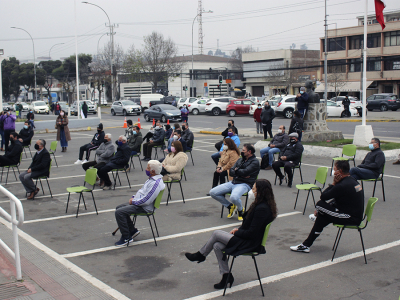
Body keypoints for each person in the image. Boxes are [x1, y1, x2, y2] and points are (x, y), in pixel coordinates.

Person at [185, 179, 277, 289]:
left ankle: (201, 255)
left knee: (216, 233)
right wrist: (239, 229)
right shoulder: (259, 204)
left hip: (250, 242)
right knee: (217, 246)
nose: (251, 191)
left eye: (253, 189)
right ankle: (226, 276)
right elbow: (248, 225)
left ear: (260, 192)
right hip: (246, 238)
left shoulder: (262, 209)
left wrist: (238, 232)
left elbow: (252, 232)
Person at [290, 160, 364, 253]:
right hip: (352, 214)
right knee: (322, 217)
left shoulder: (341, 185)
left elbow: (323, 196)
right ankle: (306, 245)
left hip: (350, 218)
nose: (333, 171)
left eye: (334, 169)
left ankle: (316, 216)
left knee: (319, 204)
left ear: (340, 171)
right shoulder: (352, 180)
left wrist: (333, 184)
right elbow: (338, 199)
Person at [114, 160, 165, 246]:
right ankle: (132, 230)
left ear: (152, 171)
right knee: (119, 207)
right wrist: (134, 198)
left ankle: (126, 238)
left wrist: (133, 201)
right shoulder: (151, 179)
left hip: (144, 207)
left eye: (148, 168)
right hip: (140, 203)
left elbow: (146, 200)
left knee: (119, 212)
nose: (146, 169)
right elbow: (142, 191)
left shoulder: (155, 183)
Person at [209, 144, 260, 221]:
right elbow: (231, 171)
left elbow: (245, 172)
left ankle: (240, 210)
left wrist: (237, 171)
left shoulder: (255, 162)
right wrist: (239, 172)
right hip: (233, 182)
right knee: (212, 192)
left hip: (245, 184)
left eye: (243, 150)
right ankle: (230, 206)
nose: (241, 151)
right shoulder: (240, 160)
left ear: (249, 152)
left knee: (234, 197)